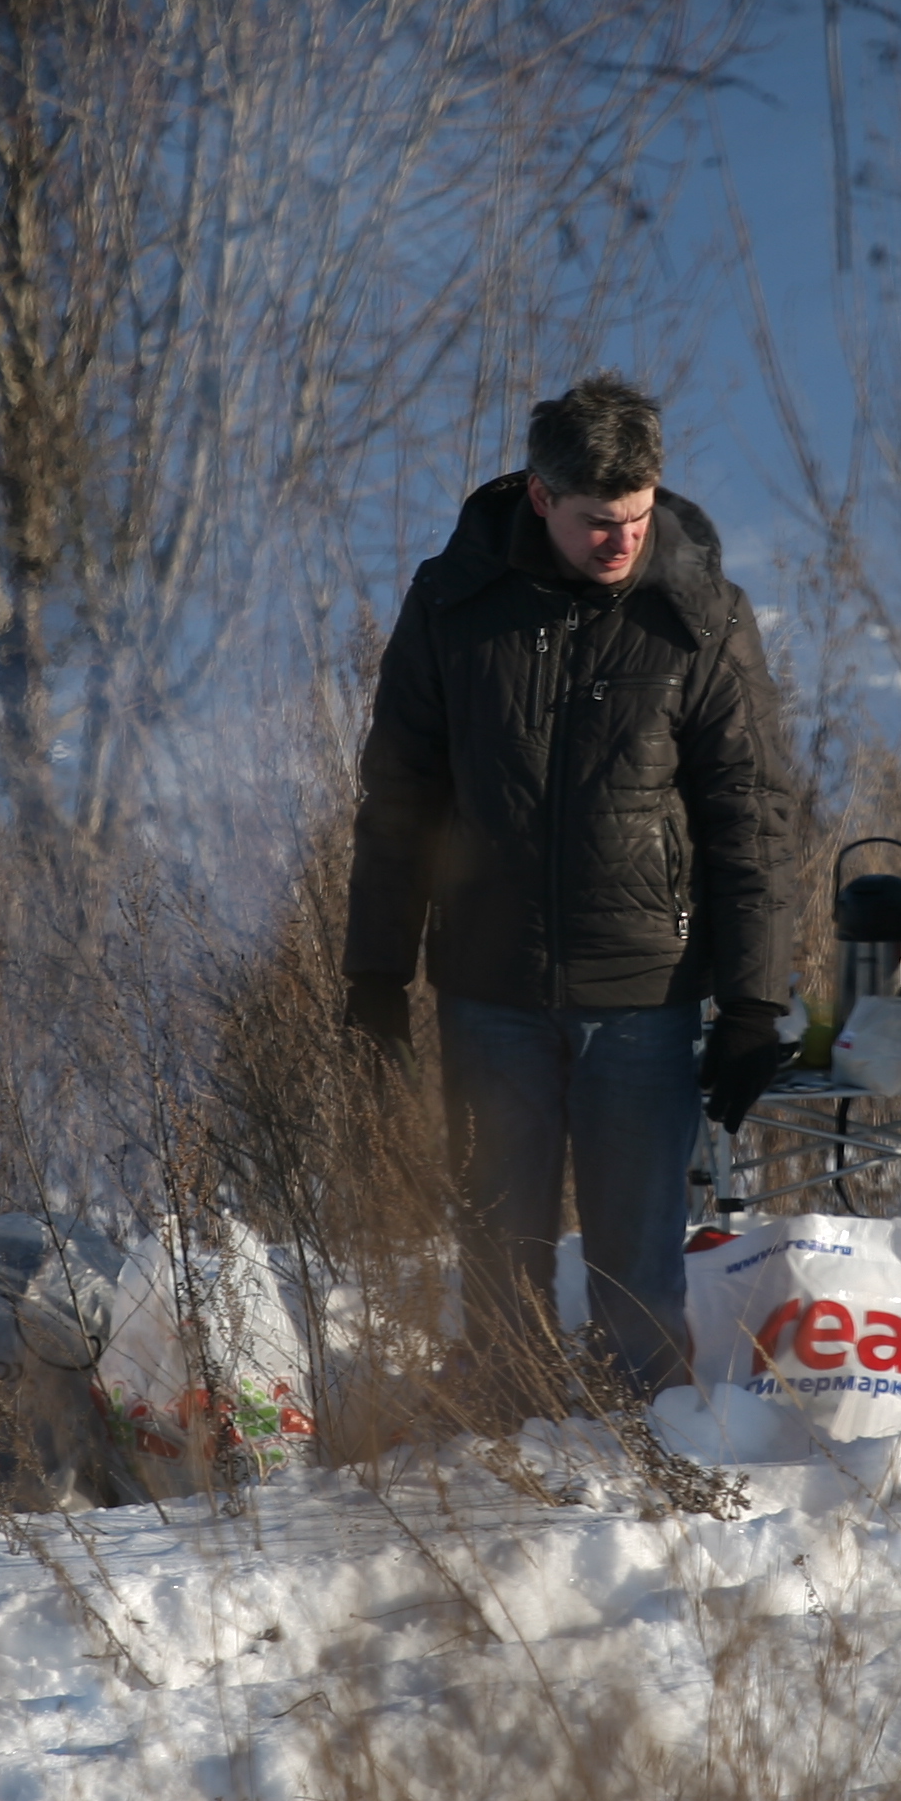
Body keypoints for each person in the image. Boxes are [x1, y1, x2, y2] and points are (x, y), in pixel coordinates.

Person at [342, 376, 796, 1404]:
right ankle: (512, 1449)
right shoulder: (454, 603)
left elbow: (753, 811)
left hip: (643, 993)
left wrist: (754, 1000)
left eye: (638, 514)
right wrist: (375, 973)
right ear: (541, 497)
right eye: (598, 520)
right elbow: (399, 798)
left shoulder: (700, 616)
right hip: (488, 987)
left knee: (638, 1277)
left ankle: (643, 1460)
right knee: (499, 1260)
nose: (622, 540)